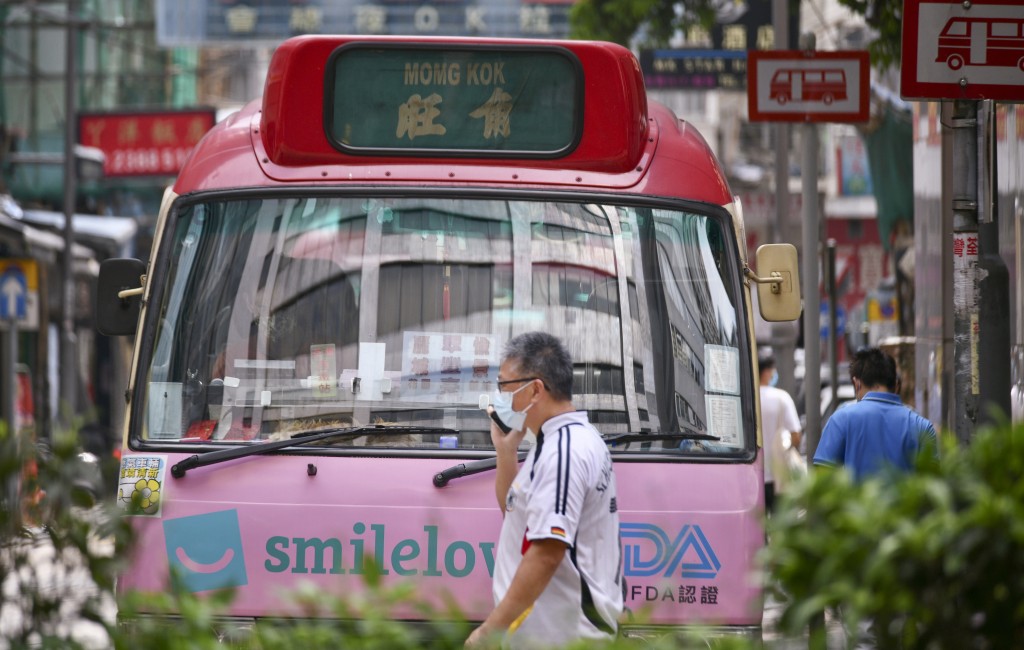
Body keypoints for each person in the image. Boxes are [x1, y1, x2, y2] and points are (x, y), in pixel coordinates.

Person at [465, 332, 623, 648]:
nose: (500, 397)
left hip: (563, 639)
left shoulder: (564, 451)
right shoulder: (559, 440)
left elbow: (546, 553)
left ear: (536, 389)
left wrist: (489, 631)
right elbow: (519, 518)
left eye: (504, 386)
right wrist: (506, 451)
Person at [813, 347, 937, 481]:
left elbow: (821, 479)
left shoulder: (841, 419)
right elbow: (933, 484)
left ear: (857, 383)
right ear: (896, 384)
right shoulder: (922, 426)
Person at [758, 352, 802, 513]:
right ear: (767, 372)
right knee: (780, 529)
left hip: (753, 476)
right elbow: (796, 435)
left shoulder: (748, 398)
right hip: (778, 477)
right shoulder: (781, 397)